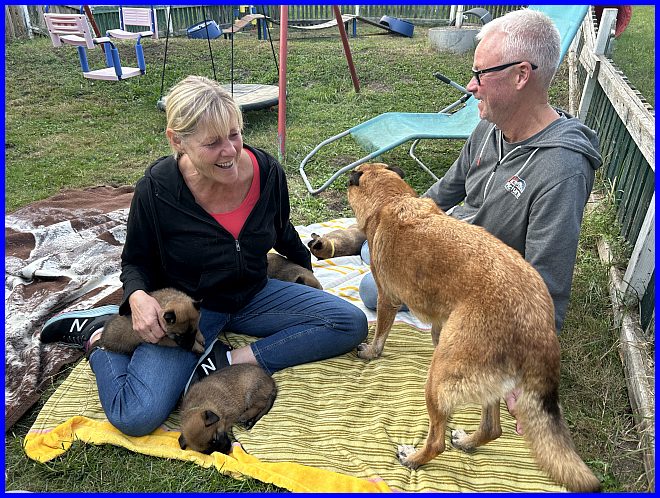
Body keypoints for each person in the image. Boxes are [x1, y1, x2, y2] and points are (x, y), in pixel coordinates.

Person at [40, 75, 368, 437]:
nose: (230, 151)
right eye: (212, 143)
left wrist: (306, 275)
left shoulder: (268, 173)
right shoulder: (158, 189)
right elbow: (135, 260)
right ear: (176, 140)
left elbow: (281, 230)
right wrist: (137, 297)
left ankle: (223, 359)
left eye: (234, 134)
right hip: (190, 311)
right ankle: (97, 337)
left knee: (349, 323)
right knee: (136, 415)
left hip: (253, 293)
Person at [358, 9, 601, 433]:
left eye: (480, 74)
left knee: (372, 287)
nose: (471, 85)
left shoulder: (562, 169)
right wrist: (394, 223)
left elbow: (549, 279)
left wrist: (526, 374)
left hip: (486, 288)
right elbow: (444, 191)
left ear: (521, 75)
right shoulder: (489, 127)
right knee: (369, 252)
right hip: (449, 248)